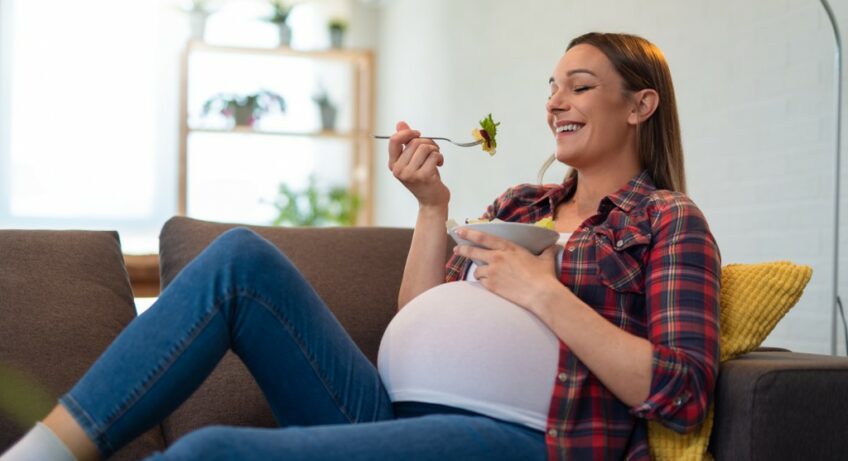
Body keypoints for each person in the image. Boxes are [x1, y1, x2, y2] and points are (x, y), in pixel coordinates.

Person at [0, 32, 719, 461]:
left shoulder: (667, 221)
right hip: (389, 410)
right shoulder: (519, 207)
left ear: (639, 104)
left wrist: (541, 291)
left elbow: (683, 393)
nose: (555, 102)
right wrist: (432, 206)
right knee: (238, 259)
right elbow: (420, 314)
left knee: (211, 451)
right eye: (552, 87)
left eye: (580, 86)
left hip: (520, 438)